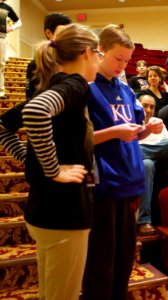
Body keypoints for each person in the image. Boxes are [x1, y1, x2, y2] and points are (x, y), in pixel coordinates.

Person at [0, 23, 100, 300]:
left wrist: (30, 158)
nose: (99, 60)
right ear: (85, 53)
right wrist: (53, 168)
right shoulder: (75, 84)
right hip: (64, 212)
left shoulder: (52, 85)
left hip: (44, 210)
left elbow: (3, 126)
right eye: (99, 54)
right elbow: (35, 112)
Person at [83, 24, 164, 300]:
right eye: (118, 59)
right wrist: (118, 132)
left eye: (127, 61)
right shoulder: (87, 86)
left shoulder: (126, 89)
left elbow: (133, 131)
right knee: (101, 261)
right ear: (100, 51)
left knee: (123, 259)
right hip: (104, 182)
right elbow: (81, 139)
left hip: (130, 180)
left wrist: (147, 128)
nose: (123, 65)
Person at [137, 94, 168, 236]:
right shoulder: (131, 121)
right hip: (141, 167)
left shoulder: (158, 122)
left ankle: (139, 152)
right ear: (137, 105)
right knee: (147, 164)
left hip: (161, 166)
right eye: (145, 105)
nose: (149, 110)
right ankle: (144, 221)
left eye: (152, 106)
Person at [26, 12, 72, 100]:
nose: (68, 37)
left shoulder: (72, 58)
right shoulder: (35, 64)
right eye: (63, 32)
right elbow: (29, 91)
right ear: (48, 33)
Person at [0, 0, 21, 99]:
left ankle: (1, 92)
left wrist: (11, 28)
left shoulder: (6, 7)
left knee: (1, 65)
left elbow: (19, 22)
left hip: (1, 38)